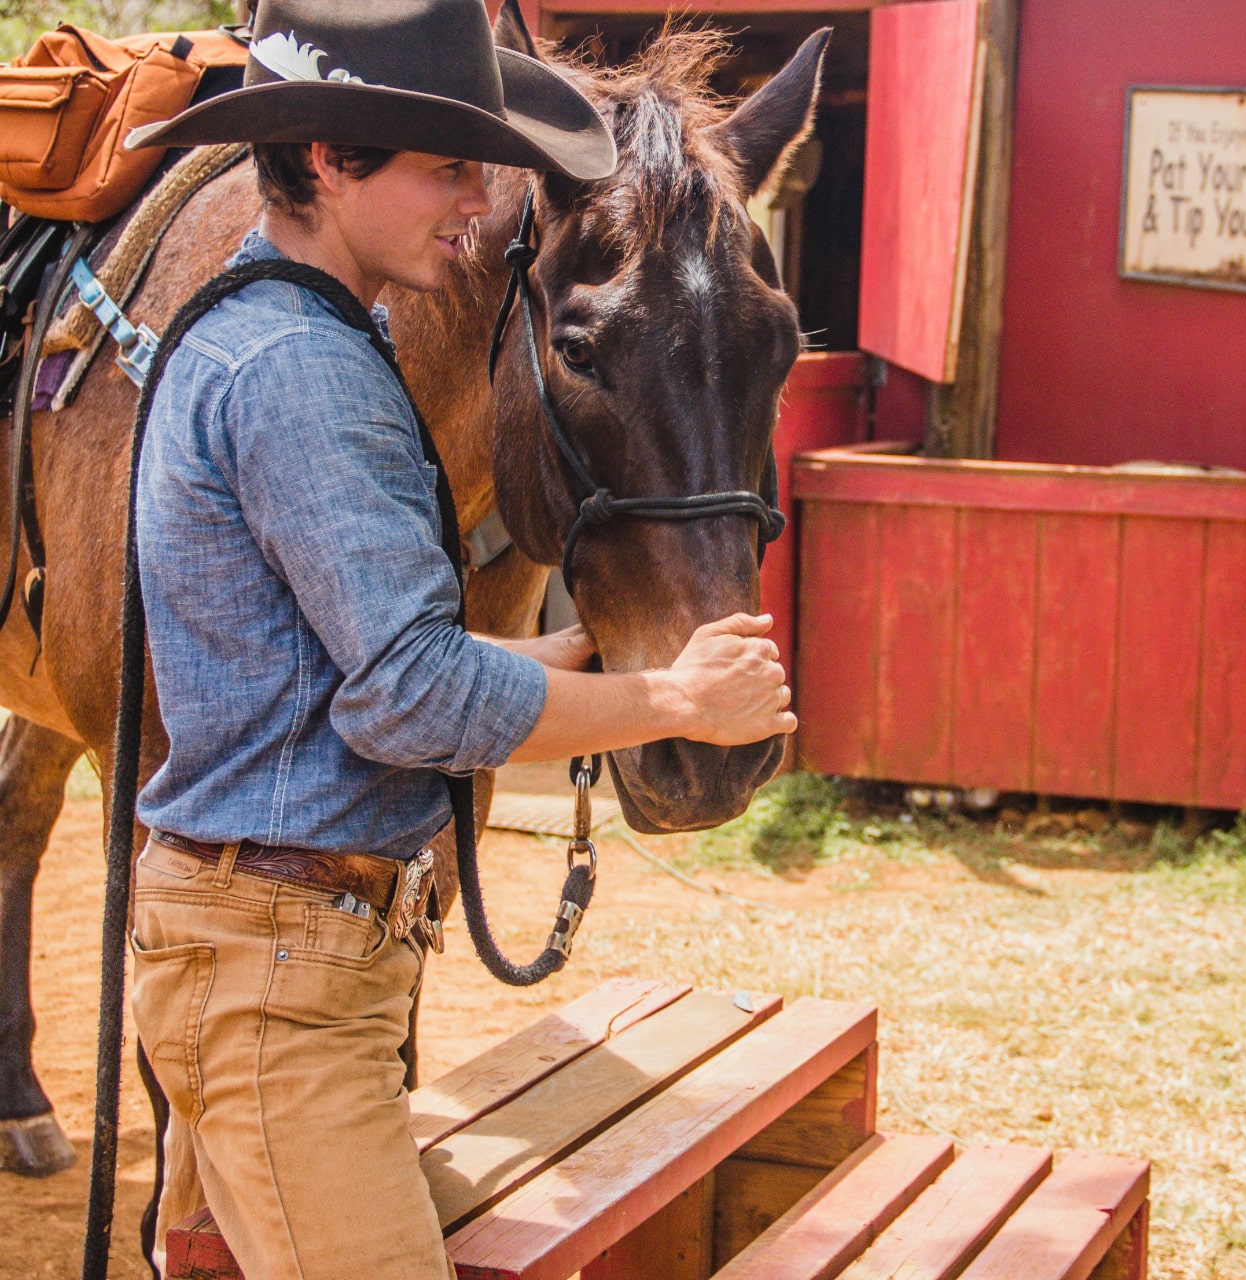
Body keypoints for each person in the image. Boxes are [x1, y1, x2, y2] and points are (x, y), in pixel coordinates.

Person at [118, 1, 796, 1276]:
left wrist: (587, 662)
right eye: (446, 164)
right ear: (327, 158)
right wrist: (672, 700)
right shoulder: (304, 375)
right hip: (282, 982)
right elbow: (409, 697)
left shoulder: (297, 334)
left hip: (277, 953)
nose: (480, 203)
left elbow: (338, 675)